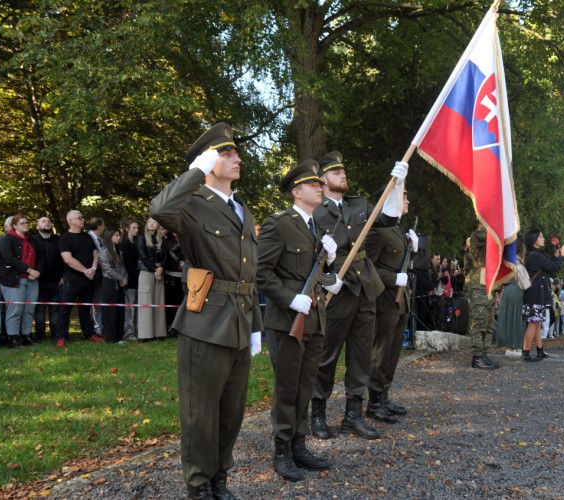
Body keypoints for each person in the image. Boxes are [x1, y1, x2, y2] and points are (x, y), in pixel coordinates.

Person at [150, 122, 263, 500]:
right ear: (209, 160)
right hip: (206, 322)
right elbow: (160, 210)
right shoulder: (193, 205)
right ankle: (198, 485)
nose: (237, 158)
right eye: (226, 153)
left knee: (232, 411)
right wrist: (195, 171)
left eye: (235, 153)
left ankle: (219, 479)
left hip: (241, 320)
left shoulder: (242, 211)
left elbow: (249, 276)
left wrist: (257, 324)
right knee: (201, 413)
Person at [310, 151, 407, 441]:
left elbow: (389, 219)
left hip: (365, 287)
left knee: (361, 356)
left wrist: (399, 184)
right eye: (336, 171)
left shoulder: (358, 206)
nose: (343, 174)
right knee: (326, 355)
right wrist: (327, 280)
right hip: (337, 288)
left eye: (343, 169)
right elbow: (306, 256)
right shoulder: (315, 210)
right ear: (323, 179)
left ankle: (353, 415)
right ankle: (318, 414)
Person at [256, 160, 342, 481]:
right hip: (287, 320)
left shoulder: (317, 227)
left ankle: (299, 445)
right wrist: (290, 298)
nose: (320, 188)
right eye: (313, 185)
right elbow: (261, 272)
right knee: (287, 387)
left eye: (320, 184)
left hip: (315, 319)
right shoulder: (279, 223)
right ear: (296, 191)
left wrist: (330, 261)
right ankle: (281, 450)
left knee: (305, 385)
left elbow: (325, 278)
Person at [365, 189, 418, 423]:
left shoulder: (397, 229)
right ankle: (374, 402)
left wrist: (412, 252)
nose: (407, 201)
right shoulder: (378, 230)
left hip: (400, 301)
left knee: (393, 353)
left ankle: (384, 396)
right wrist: (393, 279)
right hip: (384, 300)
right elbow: (368, 266)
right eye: (404, 197)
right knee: (381, 352)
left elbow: (401, 264)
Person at [521, 229, 564, 361]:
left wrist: (556, 257)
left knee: (537, 322)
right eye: (541, 237)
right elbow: (554, 268)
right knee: (533, 322)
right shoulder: (535, 255)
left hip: (534, 293)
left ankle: (540, 350)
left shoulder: (533, 254)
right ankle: (525, 352)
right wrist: (562, 255)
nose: (544, 239)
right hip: (535, 294)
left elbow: (548, 266)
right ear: (534, 240)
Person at [56, 210, 101, 346]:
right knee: (65, 308)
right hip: (72, 278)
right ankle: (61, 337)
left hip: (89, 278)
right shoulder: (65, 238)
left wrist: (93, 269)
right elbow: (68, 259)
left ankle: (89, 334)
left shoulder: (87, 237)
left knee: (85, 308)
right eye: (79, 217)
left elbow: (95, 254)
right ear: (71, 221)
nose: (82, 219)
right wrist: (85, 270)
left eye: (82, 217)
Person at [0, 214, 40, 347]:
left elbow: (40, 258)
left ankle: (26, 335)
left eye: (27, 222)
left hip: (32, 279)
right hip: (13, 280)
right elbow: (9, 258)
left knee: (29, 309)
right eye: (22, 223)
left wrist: (37, 271)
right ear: (14, 226)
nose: (26, 225)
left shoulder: (32, 240)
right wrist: (28, 270)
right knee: (15, 310)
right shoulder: (7, 239)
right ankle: (13, 338)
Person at [464, 222, 499, 369]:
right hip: (479, 285)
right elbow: (488, 237)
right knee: (479, 320)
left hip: (489, 284)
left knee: (488, 322)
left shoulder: (490, 235)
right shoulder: (477, 235)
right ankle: (477, 357)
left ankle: (484, 353)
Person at [30, 216, 63, 342]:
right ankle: (39, 336)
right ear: (37, 225)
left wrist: (63, 276)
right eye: (43, 221)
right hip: (38, 281)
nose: (47, 223)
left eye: (49, 221)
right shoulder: (32, 241)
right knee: (39, 310)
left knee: (55, 309)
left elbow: (64, 260)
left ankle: (55, 335)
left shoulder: (59, 240)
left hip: (56, 281)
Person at [136, 217, 167, 340]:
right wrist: (156, 269)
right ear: (146, 225)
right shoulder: (141, 238)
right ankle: (145, 335)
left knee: (159, 301)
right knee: (146, 301)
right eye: (149, 222)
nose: (151, 224)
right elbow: (143, 256)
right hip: (146, 271)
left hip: (159, 272)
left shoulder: (160, 239)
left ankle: (159, 333)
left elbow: (165, 255)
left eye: (154, 222)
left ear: (158, 225)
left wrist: (161, 268)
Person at [497, 237, 526, 356]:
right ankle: (512, 346)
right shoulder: (517, 261)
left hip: (509, 289)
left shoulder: (508, 259)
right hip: (516, 289)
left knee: (509, 317)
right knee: (515, 318)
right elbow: (524, 280)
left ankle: (512, 346)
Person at [98, 228, 127, 344]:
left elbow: (123, 267)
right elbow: (107, 269)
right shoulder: (104, 251)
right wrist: (121, 278)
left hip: (120, 284)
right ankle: (110, 337)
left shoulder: (119, 251)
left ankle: (119, 337)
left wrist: (125, 278)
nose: (119, 238)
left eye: (119, 236)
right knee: (110, 311)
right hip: (110, 284)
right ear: (110, 237)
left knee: (120, 310)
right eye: (116, 235)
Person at [120, 219, 140, 341]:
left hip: (138, 279)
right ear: (127, 229)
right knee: (129, 307)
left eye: (137, 228)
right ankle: (128, 333)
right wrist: (136, 274)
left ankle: (136, 331)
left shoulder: (136, 243)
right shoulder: (124, 244)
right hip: (130, 280)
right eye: (134, 228)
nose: (136, 230)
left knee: (137, 307)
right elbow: (127, 263)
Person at [87, 217, 106, 338]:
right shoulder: (87, 238)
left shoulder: (101, 240)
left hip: (101, 276)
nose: (104, 228)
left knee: (100, 303)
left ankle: (100, 328)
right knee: (95, 304)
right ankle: (96, 329)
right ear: (99, 226)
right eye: (103, 225)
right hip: (90, 275)